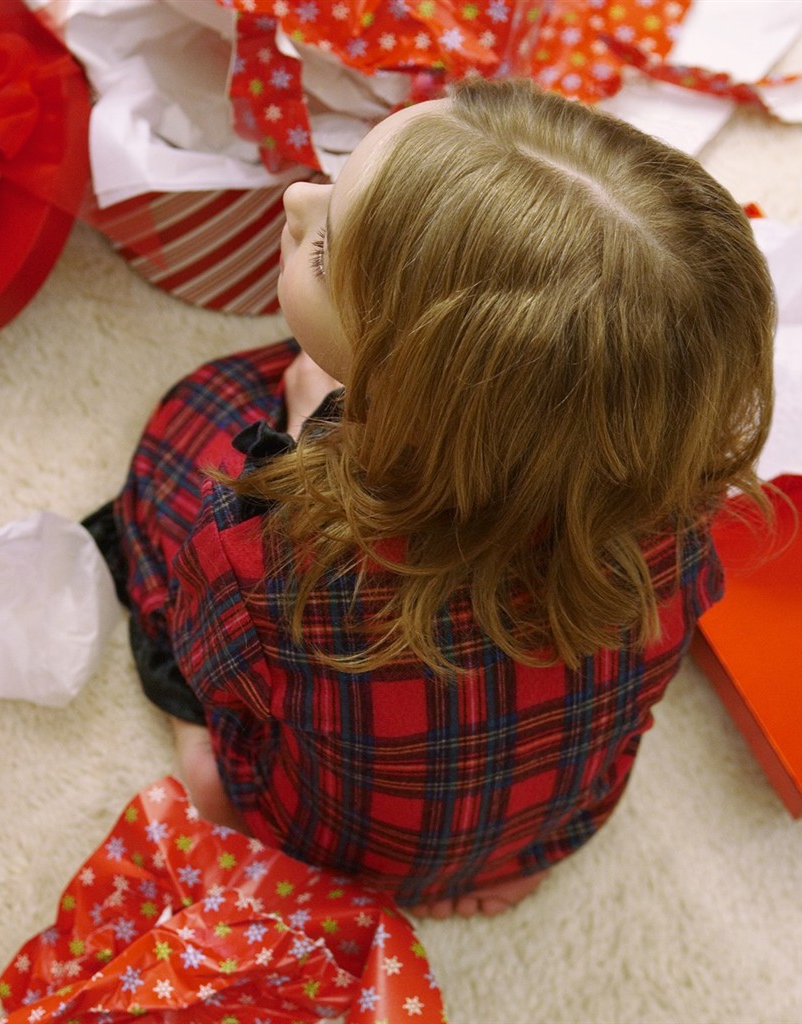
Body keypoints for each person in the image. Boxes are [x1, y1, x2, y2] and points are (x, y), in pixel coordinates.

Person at [84, 77, 776, 918]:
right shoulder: (681, 512)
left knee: (192, 428)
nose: (300, 197)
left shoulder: (273, 568)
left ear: (420, 394)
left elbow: (213, 670)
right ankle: (495, 868)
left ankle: (209, 780)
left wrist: (306, 433)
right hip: (550, 831)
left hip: (324, 845)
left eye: (326, 251)